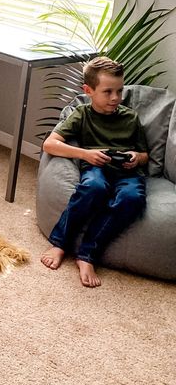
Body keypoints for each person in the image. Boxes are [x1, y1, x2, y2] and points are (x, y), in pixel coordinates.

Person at [40, 57, 148, 287]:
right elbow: (49, 145)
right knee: (93, 187)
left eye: (119, 91)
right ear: (88, 90)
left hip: (127, 172)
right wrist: (86, 154)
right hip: (95, 166)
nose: (115, 98)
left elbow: (145, 154)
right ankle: (60, 243)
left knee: (133, 198)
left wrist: (136, 157)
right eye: (107, 91)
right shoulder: (81, 114)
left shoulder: (131, 118)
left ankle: (87, 254)